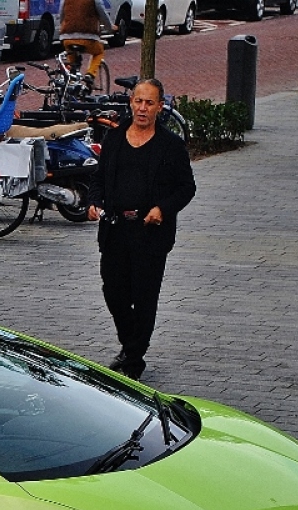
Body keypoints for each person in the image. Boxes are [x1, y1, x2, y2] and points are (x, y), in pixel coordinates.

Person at [87, 78, 195, 381]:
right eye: (138, 101)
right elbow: (98, 178)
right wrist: (94, 202)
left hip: (150, 233)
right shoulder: (115, 138)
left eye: (149, 103)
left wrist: (163, 208)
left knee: (144, 296)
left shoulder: (170, 146)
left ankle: (133, 361)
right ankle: (130, 343)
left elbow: (187, 187)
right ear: (131, 103)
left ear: (160, 107)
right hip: (115, 228)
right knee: (114, 292)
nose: (142, 108)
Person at [59, 0, 113, 82]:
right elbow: (103, 14)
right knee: (99, 52)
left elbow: (61, 15)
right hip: (88, 37)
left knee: (72, 63)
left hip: (67, 38)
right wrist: (110, 27)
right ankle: (90, 74)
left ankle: (70, 83)